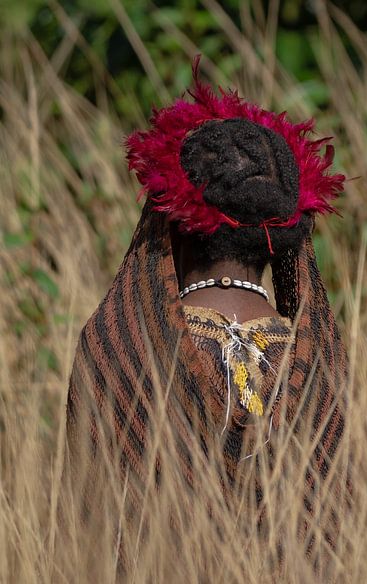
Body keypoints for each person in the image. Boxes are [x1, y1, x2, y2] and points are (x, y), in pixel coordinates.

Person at [66, 63, 347, 570]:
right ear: (283, 238)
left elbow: (88, 539)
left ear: (173, 222)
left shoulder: (120, 349)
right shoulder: (320, 362)